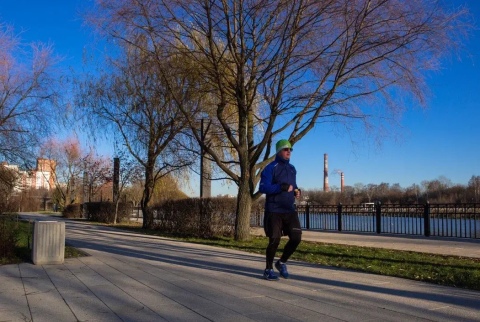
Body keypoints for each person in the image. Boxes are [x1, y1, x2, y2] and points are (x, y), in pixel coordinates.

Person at [259, 139, 302, 280]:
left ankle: (281, 262)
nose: (288, 151)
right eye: (285, 149)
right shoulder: (271, 167)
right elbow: (263, 188)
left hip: (289, 209)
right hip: (274, 210)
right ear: (278, 151)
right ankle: (268, 269)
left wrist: (296, 191)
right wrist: (280, 187)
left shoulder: (292, 169)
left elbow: (293, 185)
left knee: (296, 238)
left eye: (290, 149)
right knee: (274, 240)